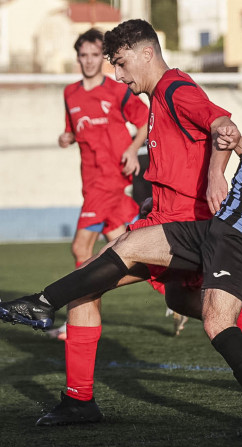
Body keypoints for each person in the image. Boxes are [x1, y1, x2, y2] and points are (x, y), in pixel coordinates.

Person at [0, 23, 242, 437]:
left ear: (145, 54)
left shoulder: (175, 89)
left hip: (196, 222)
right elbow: (229, 140)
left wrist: (237, 162)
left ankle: (43, 308)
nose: (119, 76)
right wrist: (215, 168)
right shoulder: (171, 97)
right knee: (173, 297)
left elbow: (221, 121)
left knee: (119, 273)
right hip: (189, 220)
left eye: (122, 63)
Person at [45, 28, 149, 341]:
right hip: (90, 182)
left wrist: (132, 150)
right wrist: (67, 137)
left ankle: (78, 318)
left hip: (111, 180)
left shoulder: (117, 91)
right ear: (77, 58)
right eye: (84, 55)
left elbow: (144, 121)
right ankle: (174, 284)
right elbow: (74, 130)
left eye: (94, 55)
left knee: (81, 248)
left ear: (101, 59)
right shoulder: (70, 94)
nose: (89, 61)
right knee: (128, 252)